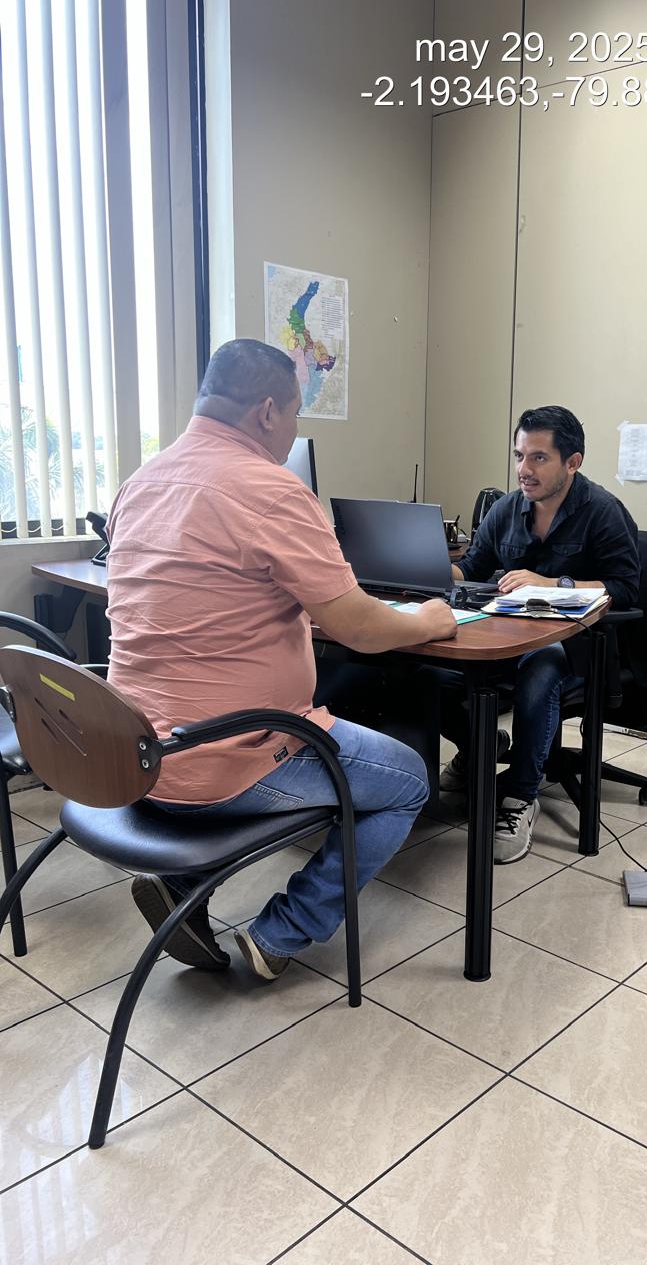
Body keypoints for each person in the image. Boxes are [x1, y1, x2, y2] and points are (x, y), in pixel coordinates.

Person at [106, 339, 456, 981]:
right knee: (408, 781)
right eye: (295, 415)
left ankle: (183, 887)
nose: (293, 431)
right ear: (268, 411)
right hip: (227, 760)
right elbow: (358, 628)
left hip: (136, 755)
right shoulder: (271, 490)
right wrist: (428, 619)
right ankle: (280, 933)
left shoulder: (140, 482)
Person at [442, 405, 640, 863]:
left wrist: (554, 584)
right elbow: (472, 568)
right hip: (505, 635)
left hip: (578, 646)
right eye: (519, 456)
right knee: (430, 667)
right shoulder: (507, 509)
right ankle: (478, 749)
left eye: (538, 458)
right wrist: (423, 565)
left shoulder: (603, 512)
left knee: (541, 666)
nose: (523, 470)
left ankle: (519, 798)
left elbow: (627, 588)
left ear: (573, 462)